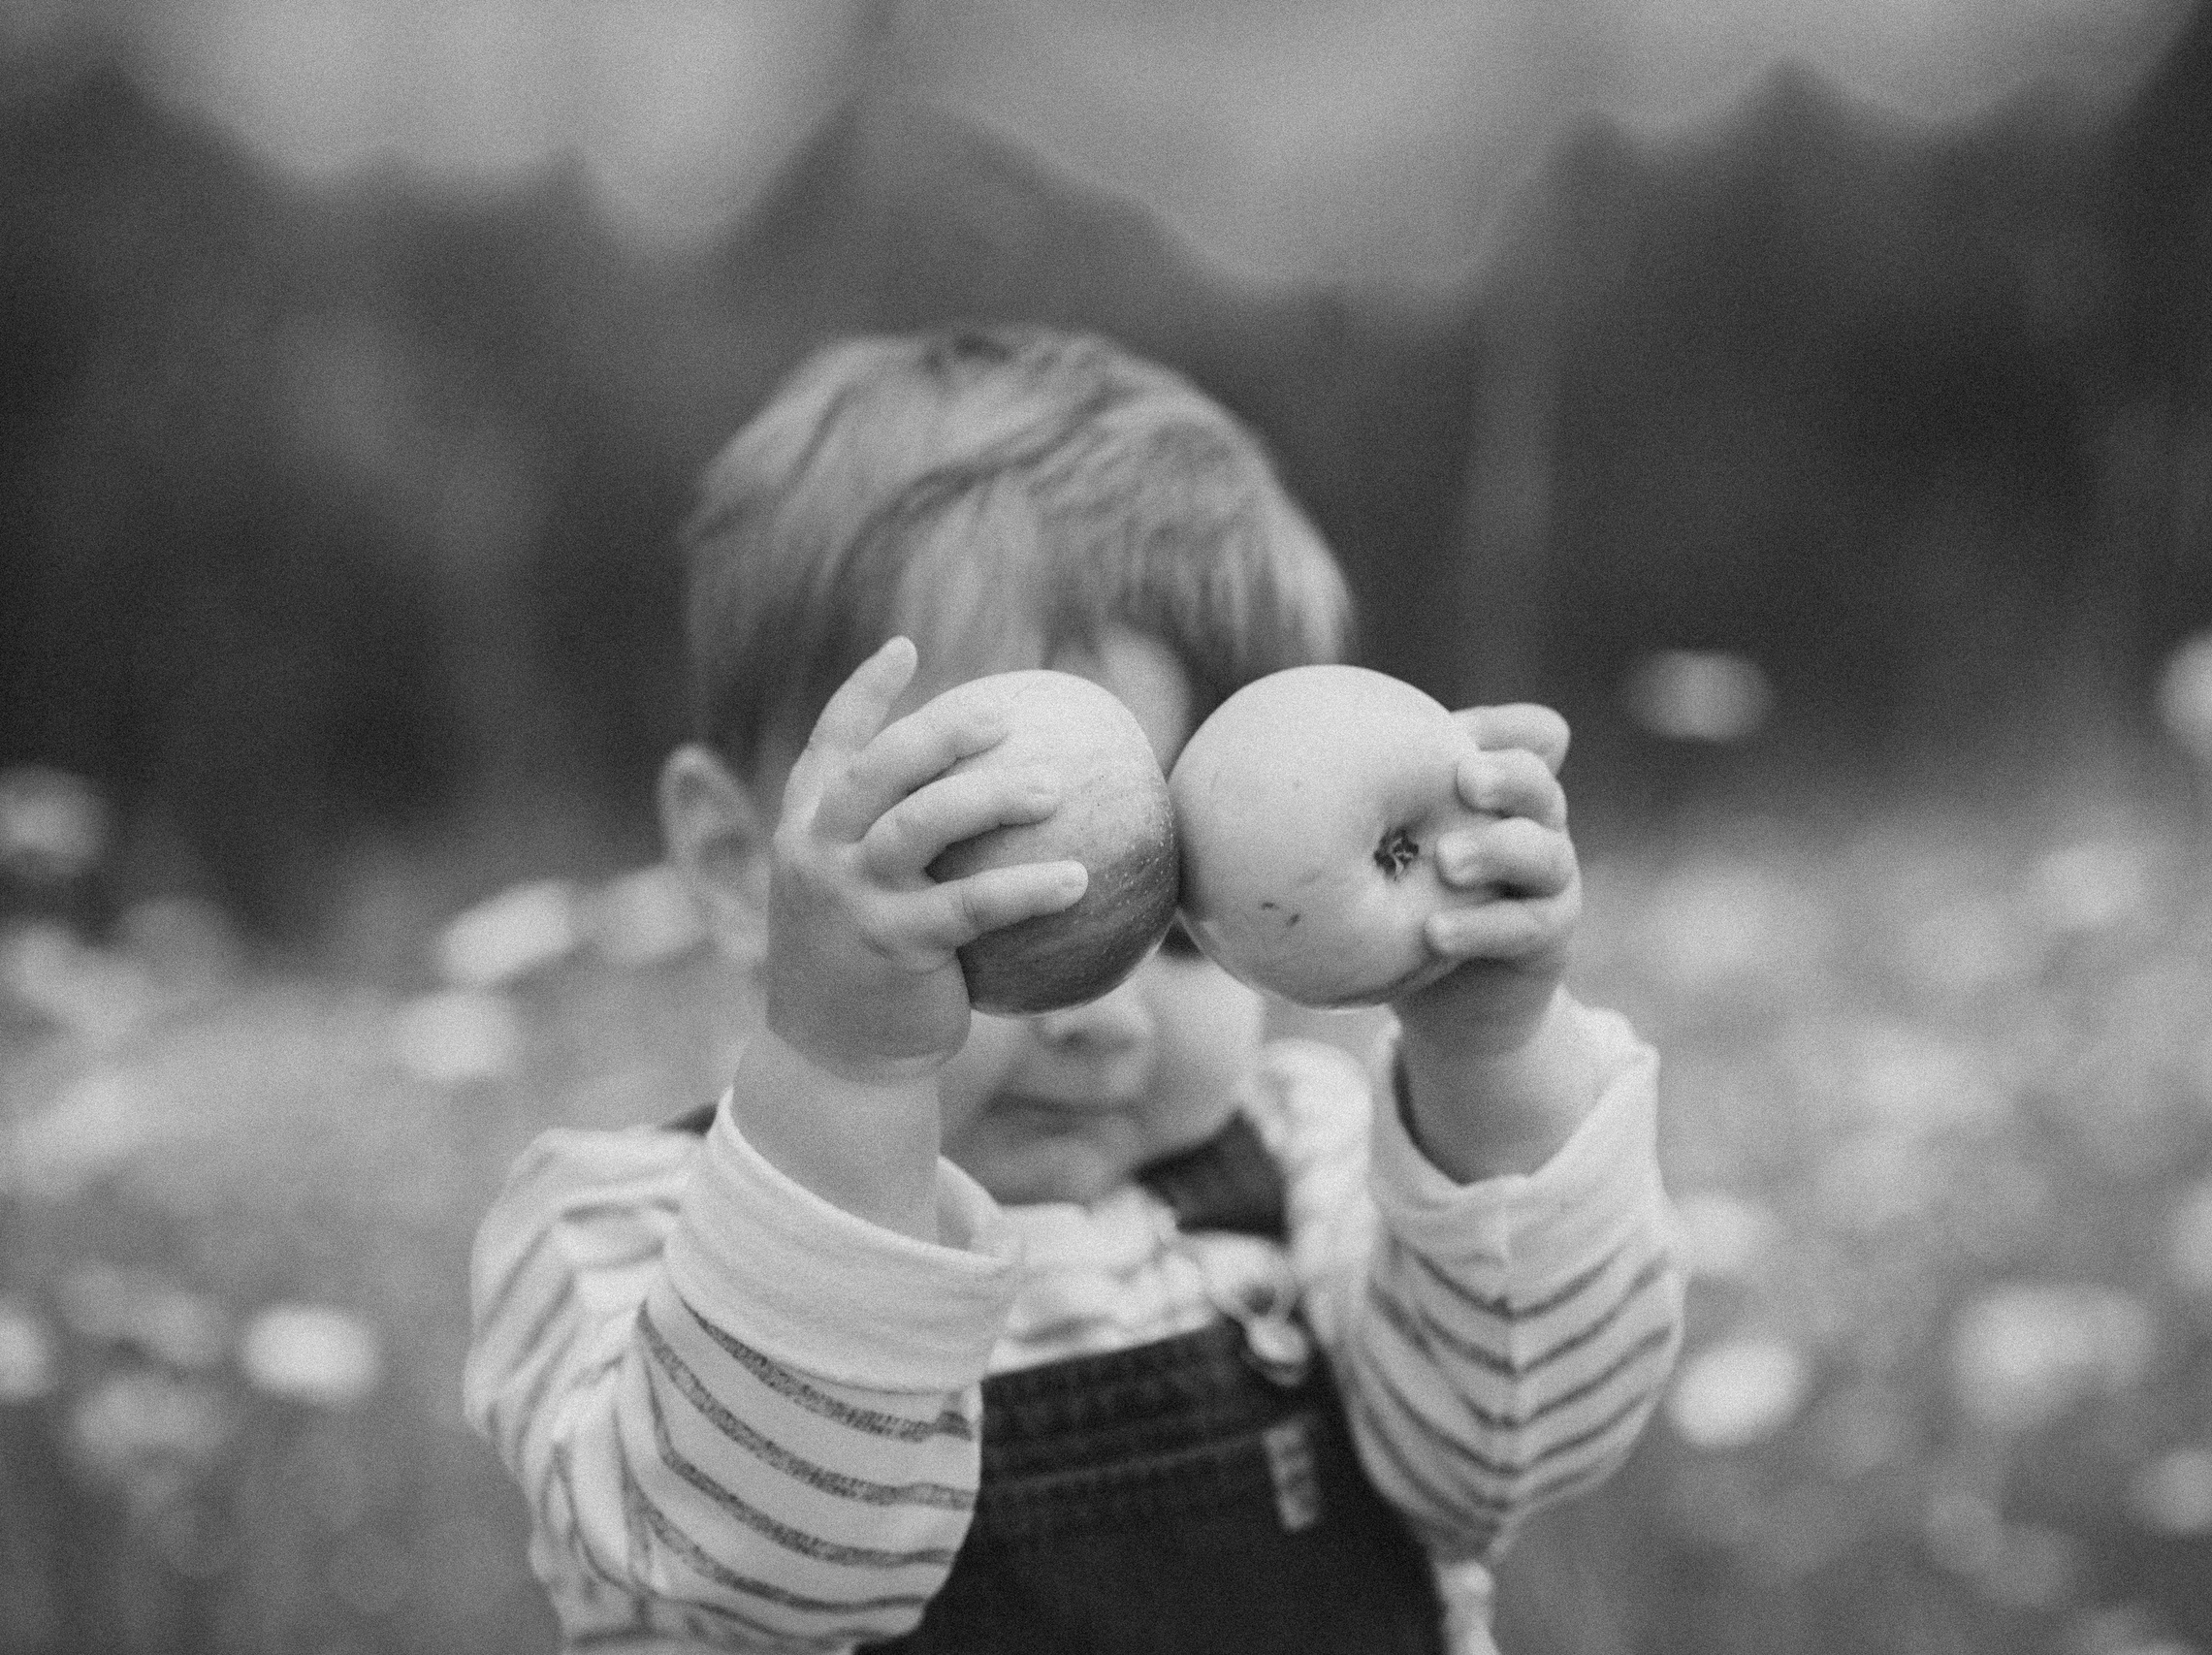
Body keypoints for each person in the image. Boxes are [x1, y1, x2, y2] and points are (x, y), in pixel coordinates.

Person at [465, 325, 1684, 1655]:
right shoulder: (613, 1235)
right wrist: (849, 1073)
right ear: (733, 860)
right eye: (984, 910)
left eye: (1177, 934)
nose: (1102, 1011)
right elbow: (747, 1565)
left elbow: (1521, 1439)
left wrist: (1492, 1051)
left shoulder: (1316, 1164)